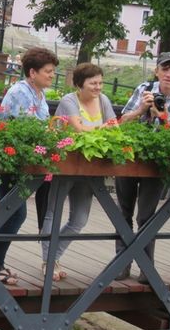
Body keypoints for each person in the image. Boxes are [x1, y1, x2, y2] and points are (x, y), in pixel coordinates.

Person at [114, 52, 170, 283]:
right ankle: (121, 265)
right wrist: (141, 110)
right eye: (165, 69)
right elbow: (122, 122)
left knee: (146, 216)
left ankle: (145, 268)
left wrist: (162, 117)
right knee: (123, 211)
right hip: (131, 158)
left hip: (157, 165)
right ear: (157, 71)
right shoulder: (144, 89)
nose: (169, 74)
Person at [0, 46, 58, 285]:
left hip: (20, 162)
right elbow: (27, 129)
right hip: (10, 160)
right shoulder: (21, 92)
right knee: (14, 214)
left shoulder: (39, 93)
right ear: (33, 72)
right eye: (48, 71)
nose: (52, 75)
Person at [41, 63, 115, 281]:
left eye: (100, 83)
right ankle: (48, 261)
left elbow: (115, 126)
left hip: (90, 168)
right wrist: (101, 129)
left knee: (80, 219)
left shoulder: (103, 101)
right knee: (53, 213)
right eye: (93, 83)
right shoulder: (69, 100)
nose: (98, 87)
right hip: (66, 164)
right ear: (80, 84)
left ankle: (53, 256)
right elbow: (77, 128)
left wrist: (99, 130)